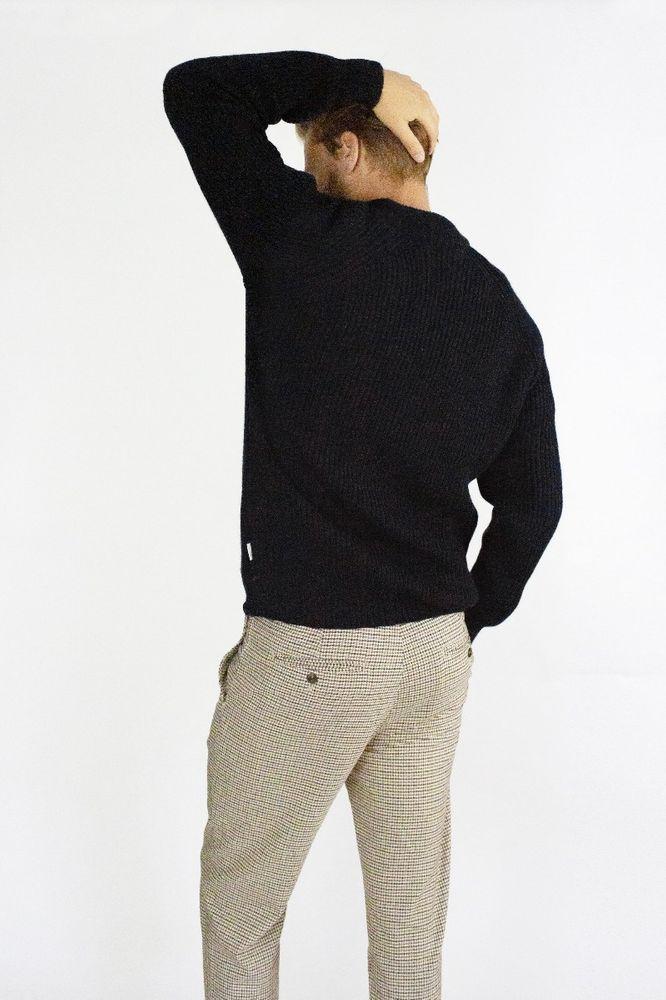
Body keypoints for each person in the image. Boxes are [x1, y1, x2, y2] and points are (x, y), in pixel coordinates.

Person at [163, 49, 563, 1000]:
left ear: (343, 146)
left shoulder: (295, 239)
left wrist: (365, 77)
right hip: (431, 656)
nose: (305, 171)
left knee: (242, 907)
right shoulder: (498, 303)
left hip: (314, 651)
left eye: (311, 150)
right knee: (411, 922)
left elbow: (198, 92)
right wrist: (466, 617)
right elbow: (535, 501)